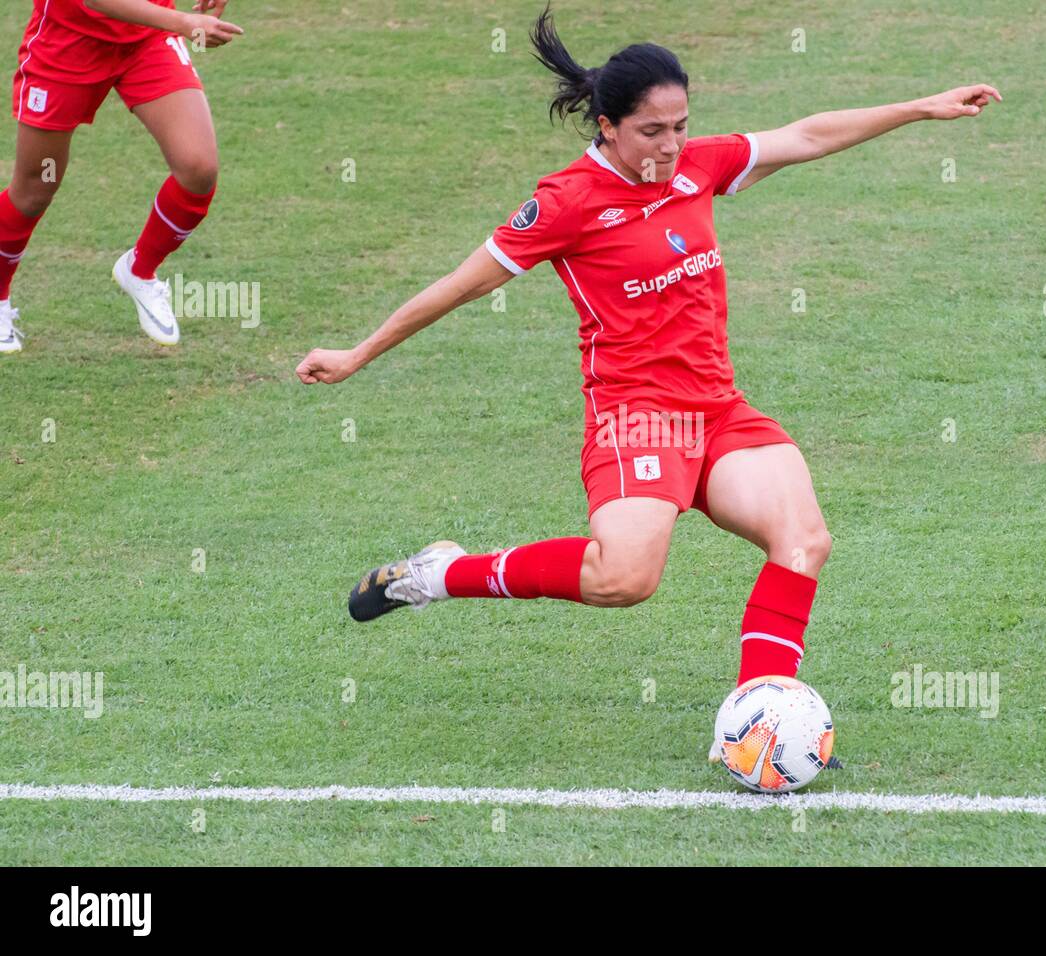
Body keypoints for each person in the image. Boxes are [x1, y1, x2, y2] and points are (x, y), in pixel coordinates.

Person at [295, 6, 999, 751]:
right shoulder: (566, 203)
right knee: (623, 580)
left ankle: (757, 717)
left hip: (719, 411)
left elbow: (806, 135)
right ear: (606, 126)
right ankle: (442, 573)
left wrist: (920, 108)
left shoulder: (697, 166)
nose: (669, 147)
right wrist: (359, 353)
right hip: (638, 418)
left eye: (681, 126)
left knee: (803, 539)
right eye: (650, 132)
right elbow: (460, 285)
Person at [0, 0, 243, 353]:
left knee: (198, 168)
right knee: (36, 188)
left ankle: (140, 270)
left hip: (148, 39)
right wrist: (183, 22)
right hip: (68, 44)